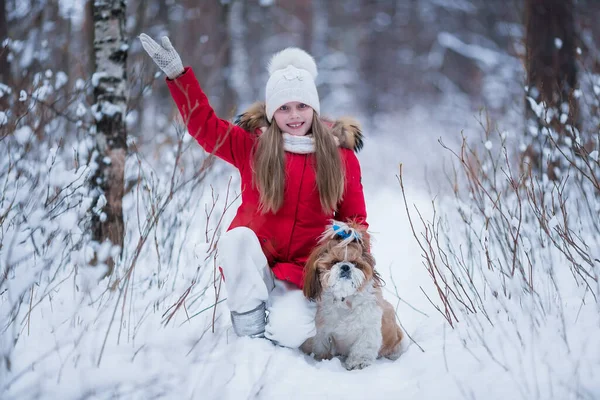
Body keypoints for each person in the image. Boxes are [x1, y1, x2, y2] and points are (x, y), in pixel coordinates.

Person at [139, 34, 369, 348]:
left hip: (306, 272)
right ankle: (251, 336)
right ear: (272, 112)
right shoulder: (252, 146)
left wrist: (350, 273)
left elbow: (354, 222)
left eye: (302, 105)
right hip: (258, 265)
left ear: (314, 108)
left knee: (291, 335)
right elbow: (206, 128)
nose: (294, 115)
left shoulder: (340, 157)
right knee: (237, 238)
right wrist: (179, 78)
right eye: (284, 107)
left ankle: (284, 313)